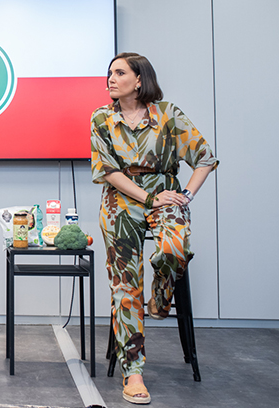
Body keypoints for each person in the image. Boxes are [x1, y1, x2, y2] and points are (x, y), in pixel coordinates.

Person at [90, 52, 218, 405]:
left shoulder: (168, 115)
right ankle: (133, 372)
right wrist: (148, 198)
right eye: (109, 73)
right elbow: (109, 171)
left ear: (140, 79)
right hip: (122, 199)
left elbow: (205, 157)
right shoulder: (101, 118)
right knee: (125, 283)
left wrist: (185, 194)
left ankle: (160, 300)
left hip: (165, 193)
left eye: (119, 73)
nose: (111, 79)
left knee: (175, 247)